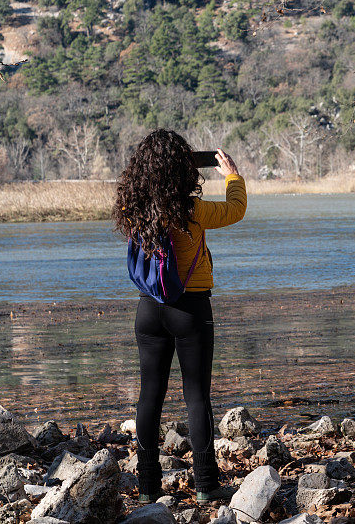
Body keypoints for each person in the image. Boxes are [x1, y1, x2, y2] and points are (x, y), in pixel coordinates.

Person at [113, 129, 247, 503]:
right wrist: (232, 176)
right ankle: (205, 485)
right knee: (196, 397)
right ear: (181, 168)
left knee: (149, 397)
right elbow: (236, 210)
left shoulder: (133, 208)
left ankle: (147, 487)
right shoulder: (191, 210)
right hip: (190, 309)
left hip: (148, 310)